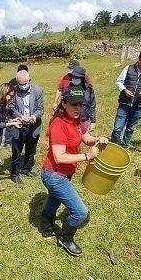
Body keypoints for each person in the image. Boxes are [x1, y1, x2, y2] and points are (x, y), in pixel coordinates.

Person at [40, 88, 109, 257]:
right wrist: (87, 155)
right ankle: (66, 238)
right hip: (54, 175)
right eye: (73, 104)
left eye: (80, 104)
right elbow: (59, 156)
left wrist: (97, 139)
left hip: (66, 173)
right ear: (64, 103)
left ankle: (46, 227)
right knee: (80, 212)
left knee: (54, 201)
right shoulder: (58, 124)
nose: (78, 108)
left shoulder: (76, 120)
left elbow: (86, 138)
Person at [111, 48, 141, 149]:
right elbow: (119, 81)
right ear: (138, 58)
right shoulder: (128, 68)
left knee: (130, 129)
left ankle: (125, 146)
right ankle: (114, 146)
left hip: (139, 105)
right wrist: (124, 90)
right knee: (117, 128)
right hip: (124, 104)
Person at [7, 69, 44, 184]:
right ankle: (15, 173)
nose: (22, 86)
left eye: (24, 84)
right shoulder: (13, 91)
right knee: (17, 150)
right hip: (19, 124)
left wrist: (34, 116)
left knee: (31, 149)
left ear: (30, 80)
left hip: (34, 125)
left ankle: (26, 169)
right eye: (20, 84)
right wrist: (20, 116)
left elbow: (40, 108)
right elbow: (11, 108)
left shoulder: (38, 90)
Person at [60, 66, 97, 132]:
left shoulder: (89, 90)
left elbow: (92, 105)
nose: (74, 79)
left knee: (86, 139)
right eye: (73, 77)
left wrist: (93, 121)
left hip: (84, 120)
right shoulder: (68, 89)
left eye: (76, 77)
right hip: (71, 121)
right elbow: (63, 104)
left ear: (82, 78)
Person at [5, 64, 28, 148]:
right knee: (10, 122)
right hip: (12, 105)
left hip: (20, 106)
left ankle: (21, 140)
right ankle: (8, 141)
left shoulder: (26, 81)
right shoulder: (12, 82)